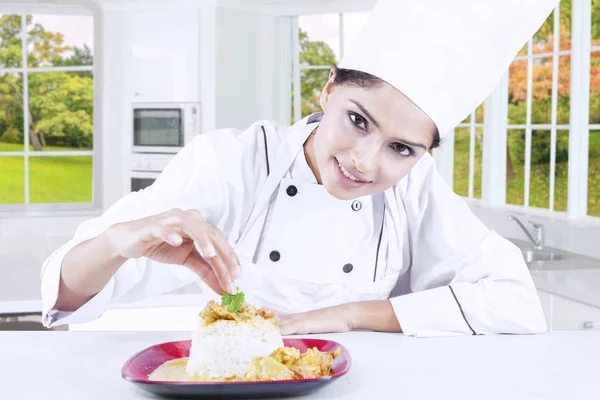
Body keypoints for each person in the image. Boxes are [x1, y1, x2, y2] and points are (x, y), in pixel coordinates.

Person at [41, 0, 558, 337]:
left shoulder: (415, 187)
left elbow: (515, 305)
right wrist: (115, 243)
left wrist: (348, 316)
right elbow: (62, 295)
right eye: (358, 120)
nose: (363, 161)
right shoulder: (233, 162)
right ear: (328, 88)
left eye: (402, 149)